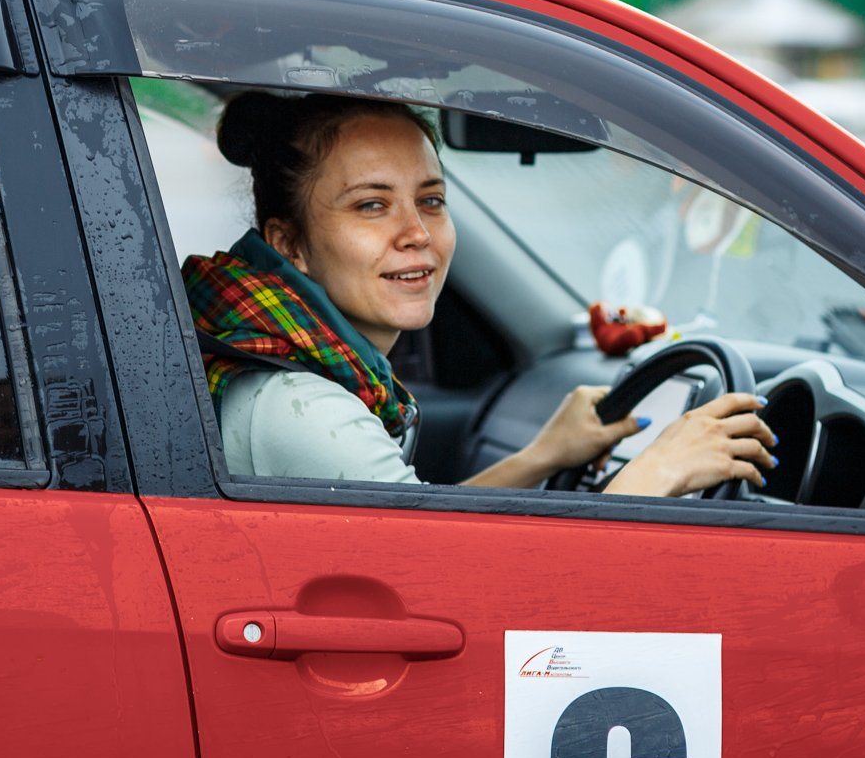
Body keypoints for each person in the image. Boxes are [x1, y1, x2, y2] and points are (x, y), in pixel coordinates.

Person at [182, 91, 777, 495]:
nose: (417, 233)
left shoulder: (281, 366)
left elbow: (415, 535)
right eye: (371, 205)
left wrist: (543, 455)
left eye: (431, 200)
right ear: (289, 244)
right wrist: (658, 472)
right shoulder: (300, 408)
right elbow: (461, 590)